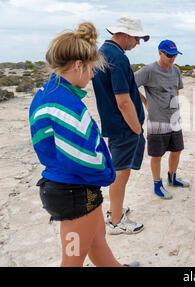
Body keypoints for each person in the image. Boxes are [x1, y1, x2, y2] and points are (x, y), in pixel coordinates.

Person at [29, 22, 131, 266]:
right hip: (73, 191)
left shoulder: (47, 91)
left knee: (98, 241)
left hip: (70, 188)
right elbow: (81, 158)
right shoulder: (65, 104)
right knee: (72, 260)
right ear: (78, 65)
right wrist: (109, 174)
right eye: (91, 69)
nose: (93, 74)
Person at [92, 16, 149, 234]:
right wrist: (136, 128)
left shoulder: (103, 53)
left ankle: (115, 210)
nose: (137, 43)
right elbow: (123, 101)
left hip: (115, 123)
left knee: (121, 170)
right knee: (121, 173)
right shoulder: (117, 57)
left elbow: (129, 89)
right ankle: (116, 221)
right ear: (124, 35)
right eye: (136, 38)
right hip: (124, 126)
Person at [134, 40, 189, 200]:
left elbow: (176, 90)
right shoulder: (148, 70)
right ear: (160, 52)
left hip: (174, 118)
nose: (172, 58)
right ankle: (157, 184)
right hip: (157, 121)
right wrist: (146, 103)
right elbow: (130, 86)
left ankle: (172, 178)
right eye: (169, 55)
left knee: (177, 149)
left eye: (175, 55)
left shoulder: (176, 70)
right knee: (157, 154)